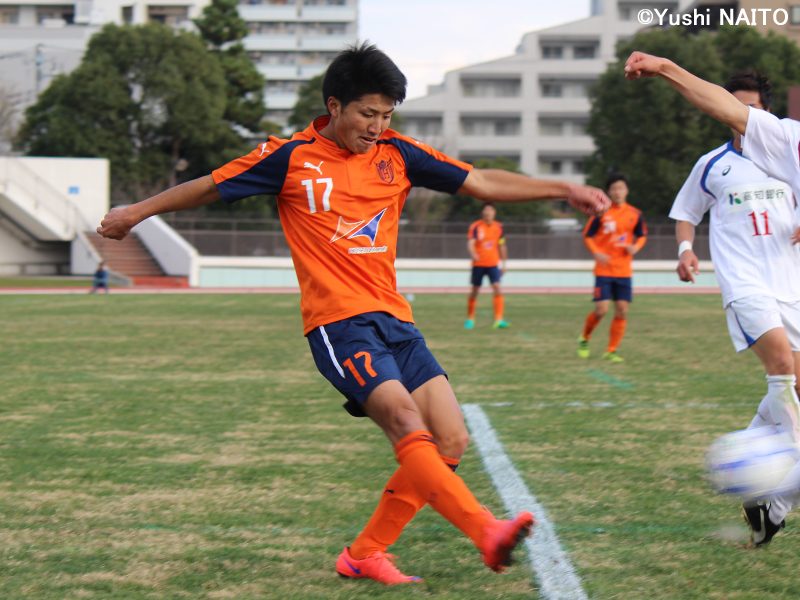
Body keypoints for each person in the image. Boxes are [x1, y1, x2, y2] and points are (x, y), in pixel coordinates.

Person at [97, 43, 610, 584]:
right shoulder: (289, 157)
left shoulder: (399, 153)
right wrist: (136, 212)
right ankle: (486, 531)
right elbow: (210, 185)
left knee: (451, 439)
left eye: (386, 115)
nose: (377, 126)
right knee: (405, 422)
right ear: (334, 105)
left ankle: (365, 553)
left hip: (395, 320)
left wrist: (564, 188)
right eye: (368, 113)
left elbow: (480, 181)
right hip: (338, 323)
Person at [625, 53, 800, 546]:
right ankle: (780, 462)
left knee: (794, 384)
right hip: (746, 282)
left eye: (750, 109)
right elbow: (686, 212)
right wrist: (665, 67)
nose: (741, 116)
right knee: (781, 367)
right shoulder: (718, 163)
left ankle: (771, 504)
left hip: (792, 285)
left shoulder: (786, 146)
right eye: (736, 108)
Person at [577, 173, 647, 363]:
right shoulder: (601, 212)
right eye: (614, 189)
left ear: (627, 190)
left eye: (621, 188)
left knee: (622, 310)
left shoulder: (635, 214)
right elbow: (587, 236)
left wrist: (635, 247)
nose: (618, 192)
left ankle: (611, 350)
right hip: (604, 270)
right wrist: (596, 252)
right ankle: (584, 338)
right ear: (609, 192)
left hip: (624, 270)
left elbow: (642, 236)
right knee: (601, 309)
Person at [465, 202, 508, 330]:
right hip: (479, 264)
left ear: (494, 213)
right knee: (475, 290)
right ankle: (470, 319)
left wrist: (504, 264)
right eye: (486, 211)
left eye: (490, 211)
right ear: (482, 213)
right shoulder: (476, 226)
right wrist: (473, 253)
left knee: (497, 288)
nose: (488, 213)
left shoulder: (498, 227)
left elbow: (502, 245)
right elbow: (471, 243)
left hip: (493, 264)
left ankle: (498, 320)